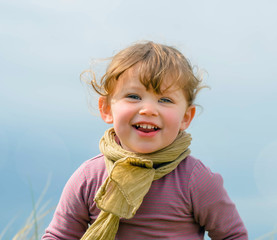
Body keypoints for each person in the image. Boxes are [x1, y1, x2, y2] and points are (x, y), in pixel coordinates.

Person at [42, 41, 248, 239]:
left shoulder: (194, 179)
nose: (148, 110)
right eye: (133, 96)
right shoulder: (90, 177)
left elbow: (232, 235)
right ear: (106, 109)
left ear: (186, 117)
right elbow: (60, 236)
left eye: (165, 100)